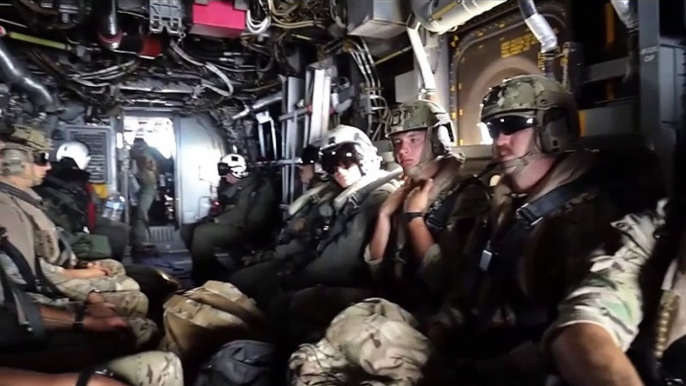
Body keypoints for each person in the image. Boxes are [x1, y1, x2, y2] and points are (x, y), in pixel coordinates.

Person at [419, 74, 643, 384]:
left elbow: (575, 326)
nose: (499, 142)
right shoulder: (502, 204)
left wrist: (485, 370)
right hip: (477, 348)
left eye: (512, 126)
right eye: (494, 129)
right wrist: (441, 329)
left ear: (553, 130)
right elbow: (467, 287)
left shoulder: (589, 212)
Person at [0, 125, 156, 347]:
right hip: (42, 297)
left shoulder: (25, 200)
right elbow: (35, 278)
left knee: (114, 266)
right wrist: (90, 290)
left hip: (50, 280)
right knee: (135, 299)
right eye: (41, 159)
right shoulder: (7, 210)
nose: (48, 166)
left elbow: (47, 254)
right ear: (16, 163)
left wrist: (81, 264)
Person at [229, 124, 399, 308]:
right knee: (248, 285)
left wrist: (295, 276)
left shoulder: (376, 196)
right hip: (313, 264)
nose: (339, 170)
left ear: (364, 157)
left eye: (346, 159)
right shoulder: (344, 195)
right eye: (331, 164)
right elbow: (315, 237)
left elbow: (340, 260)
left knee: (274, 299)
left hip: (349, 282)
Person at [0, 236, 182, 385]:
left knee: (136, 332)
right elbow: (40, 276)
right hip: (16, 354)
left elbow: (16, 307)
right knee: (161, 367)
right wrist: (59, 382)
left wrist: (86, 321)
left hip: (24, 337)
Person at [365, 99, 490, 313]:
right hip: (392, 302)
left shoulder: (467, 194)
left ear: (437, 139)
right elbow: (375, 269)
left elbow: (448, 283)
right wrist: (385, 216)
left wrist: (415, 218)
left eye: (413, 140)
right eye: (397, 142)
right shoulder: (403, 192)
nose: (402, 151)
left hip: (431, 314)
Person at [181, 152, 277, 285]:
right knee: (186, 230)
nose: (225, 176)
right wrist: (212, 217)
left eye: (227, 172)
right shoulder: (232, 187)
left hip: (245, 229)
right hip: (232, 224)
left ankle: (203, 278)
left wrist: (217, 220)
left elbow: (247, 215)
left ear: (238, 171)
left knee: (202, 233)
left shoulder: (257, 186)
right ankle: (213, 268)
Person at [34, 140, 129, 261]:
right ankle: (114, 265)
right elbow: (90, 205)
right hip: (75, 226)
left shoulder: (51, 174)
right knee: (119, 233)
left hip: (67, 224)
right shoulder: (78, 179)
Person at [129, 137, 164, 256]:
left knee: (140, 213)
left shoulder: (132, 152)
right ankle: (141, 241)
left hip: (140, 184)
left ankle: (140, 241)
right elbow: (165, 163)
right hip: (147, 184)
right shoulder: (150, 151)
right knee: (141, 213)